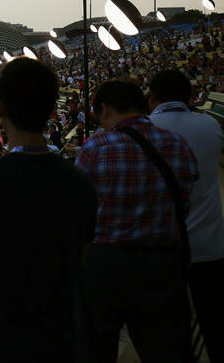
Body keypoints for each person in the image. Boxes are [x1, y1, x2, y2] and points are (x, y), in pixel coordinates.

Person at [0, 58, 97, 362]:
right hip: (59, 343)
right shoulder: (79, 182)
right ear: (52, 109)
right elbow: (83, 258)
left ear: (0, 107)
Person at [76, 79, 198, 362]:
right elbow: (185, 203)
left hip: (105, 265)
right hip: (163, 263)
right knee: (166, 351)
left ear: (105, 109)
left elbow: (80, 214)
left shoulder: (95, 148)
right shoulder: (177, 145)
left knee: (95, 349)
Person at [148, 69, 224, 362]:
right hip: (210, 245)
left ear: (152, 97)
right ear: (189, 96)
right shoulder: (210, 126)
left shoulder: (145, 129)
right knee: (215, 323)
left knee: (171, 330)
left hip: (164, 246)